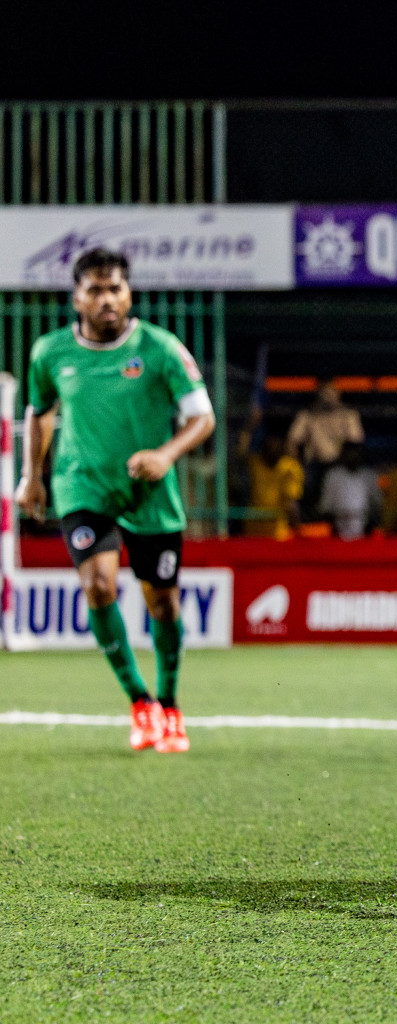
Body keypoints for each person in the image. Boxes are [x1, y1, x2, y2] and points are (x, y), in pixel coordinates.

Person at [16, 248, 215, 753]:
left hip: (150, 494)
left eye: (115, 288)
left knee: (162, 603)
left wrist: (165, 455)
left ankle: (169, 703)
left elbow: (202, 416)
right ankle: (140, 702)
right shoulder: (50, 352)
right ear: (76, 297)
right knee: (99, 586)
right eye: (95, 290)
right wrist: (31, 477)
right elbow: (40, 413)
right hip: (83, 486)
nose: (106, 298)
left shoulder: (161, 348)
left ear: (128, 294)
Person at [287, 377, 364, 516]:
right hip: (314, 465)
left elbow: (355, 442)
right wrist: (296, 464)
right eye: (323, 392)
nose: (327, 396)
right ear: (318, 393)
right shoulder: (307, 414)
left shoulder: (348, 414)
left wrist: (346, 462)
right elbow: (292, 440)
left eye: (331, 392)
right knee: (301, 484)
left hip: (340, 465)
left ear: (338, 393)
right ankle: (308, 518)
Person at [318, 442, 382, 540]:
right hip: (339, 524)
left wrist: (370, 525)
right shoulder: (333, 475)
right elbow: (325, 506)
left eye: (355, 454)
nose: (352, 457)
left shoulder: (368, 475)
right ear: (343, 455)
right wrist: (333, 524)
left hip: (363, 524)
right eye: (349, 454)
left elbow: (377, 504)